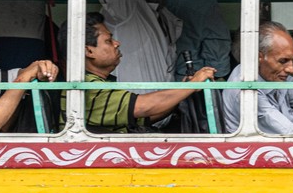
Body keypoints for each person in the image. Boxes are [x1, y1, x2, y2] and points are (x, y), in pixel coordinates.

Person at [59, 12, 215, 133]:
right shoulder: (90, 87)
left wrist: (183, 92)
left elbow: (144, 117)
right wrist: (192, 85)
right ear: (88, 51)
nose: (116, 43)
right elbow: (144, 107)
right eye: (108, 41)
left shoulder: (98, 83)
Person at [161, 0, 232, 80]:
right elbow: (216, 42)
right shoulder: (201, 0)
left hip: (155, 75)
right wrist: (218, 74)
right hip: (194, 78)